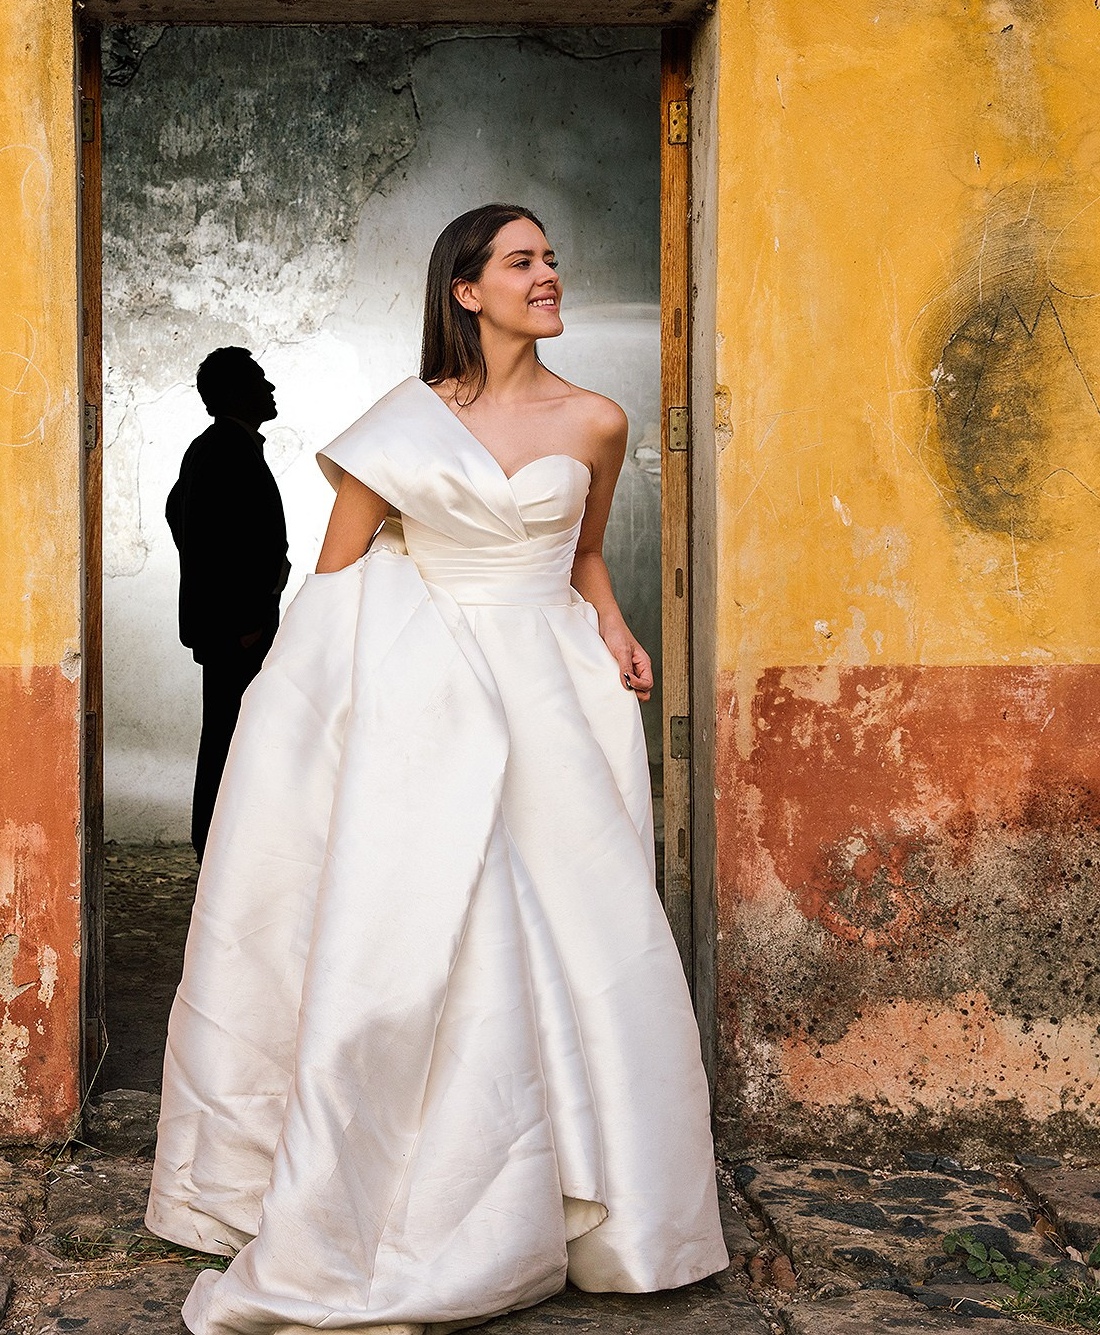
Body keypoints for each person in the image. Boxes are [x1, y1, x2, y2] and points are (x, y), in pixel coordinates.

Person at [146, 204, 728, 1334]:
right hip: (428, 704)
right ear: (468, 289)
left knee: (580, 934)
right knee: (441, 929)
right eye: (524, 261)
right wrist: (310, 734)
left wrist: (612, 627)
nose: (549, 274)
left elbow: (587, 552)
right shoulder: (402, 427)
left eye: (553, 257)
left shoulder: (599, 420)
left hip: (554, 696)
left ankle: (591, 1192)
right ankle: (434, 1184)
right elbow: (339, 581)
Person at [164, 346, 290, 861]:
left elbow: (179, 515)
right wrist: (244, 620)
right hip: (237, 630)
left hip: (234, 626)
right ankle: (216, 848)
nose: (271, 388)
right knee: (228, 737)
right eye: (260, 379)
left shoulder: (216, 449)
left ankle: (220, 846)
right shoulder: (222, 451)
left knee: (229, 732)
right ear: (237, 392)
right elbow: (214, 539)